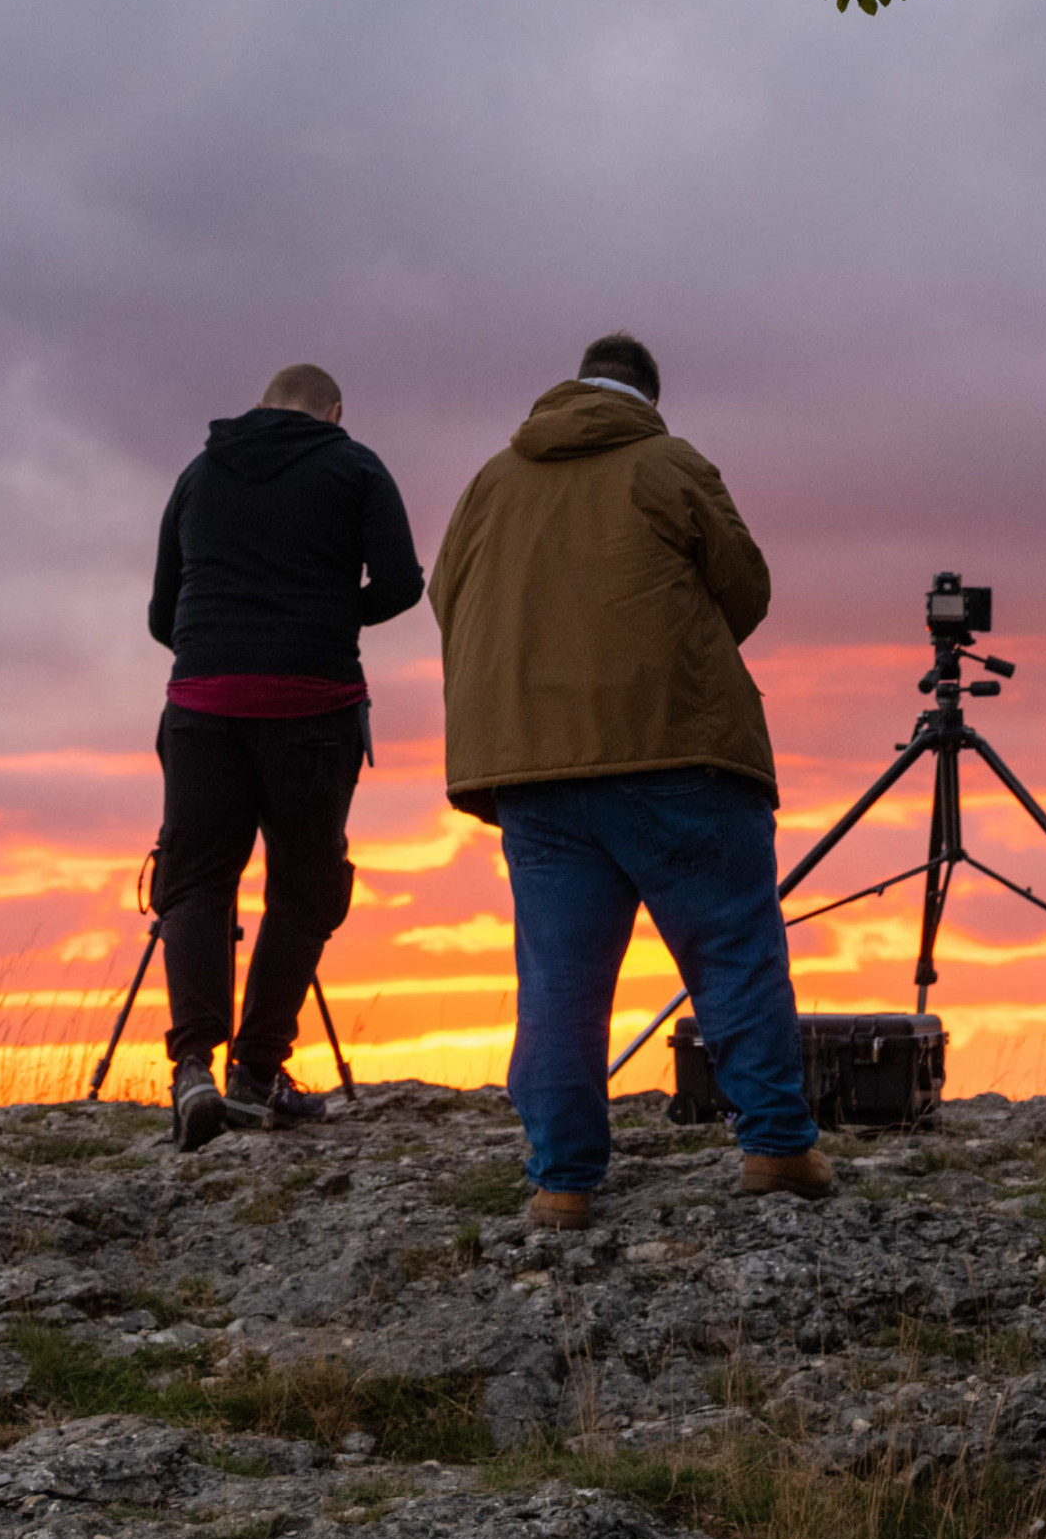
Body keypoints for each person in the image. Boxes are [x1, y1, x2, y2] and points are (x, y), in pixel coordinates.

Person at [428, 329, 826, 1225]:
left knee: (560, 980)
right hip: (674, 747)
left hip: (531, 764)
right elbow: (746, 590)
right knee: (731, 951)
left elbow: (445, 594)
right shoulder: (669, 462)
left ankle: (562, 1181)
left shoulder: (492, 480)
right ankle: (776, 1147)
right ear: (650, 398)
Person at [149, 358, 423, 1150]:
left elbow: (163, 611)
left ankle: (192, 1067)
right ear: (333, 411)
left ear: (263, 404)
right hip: (312, 707)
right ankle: (257, 1073)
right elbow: (403, 585)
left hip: (201, 705)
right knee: (305, 890)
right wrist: (329, 619)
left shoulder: (199, 474)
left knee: (196, 880)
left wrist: (216, 651)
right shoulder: (356, 466)